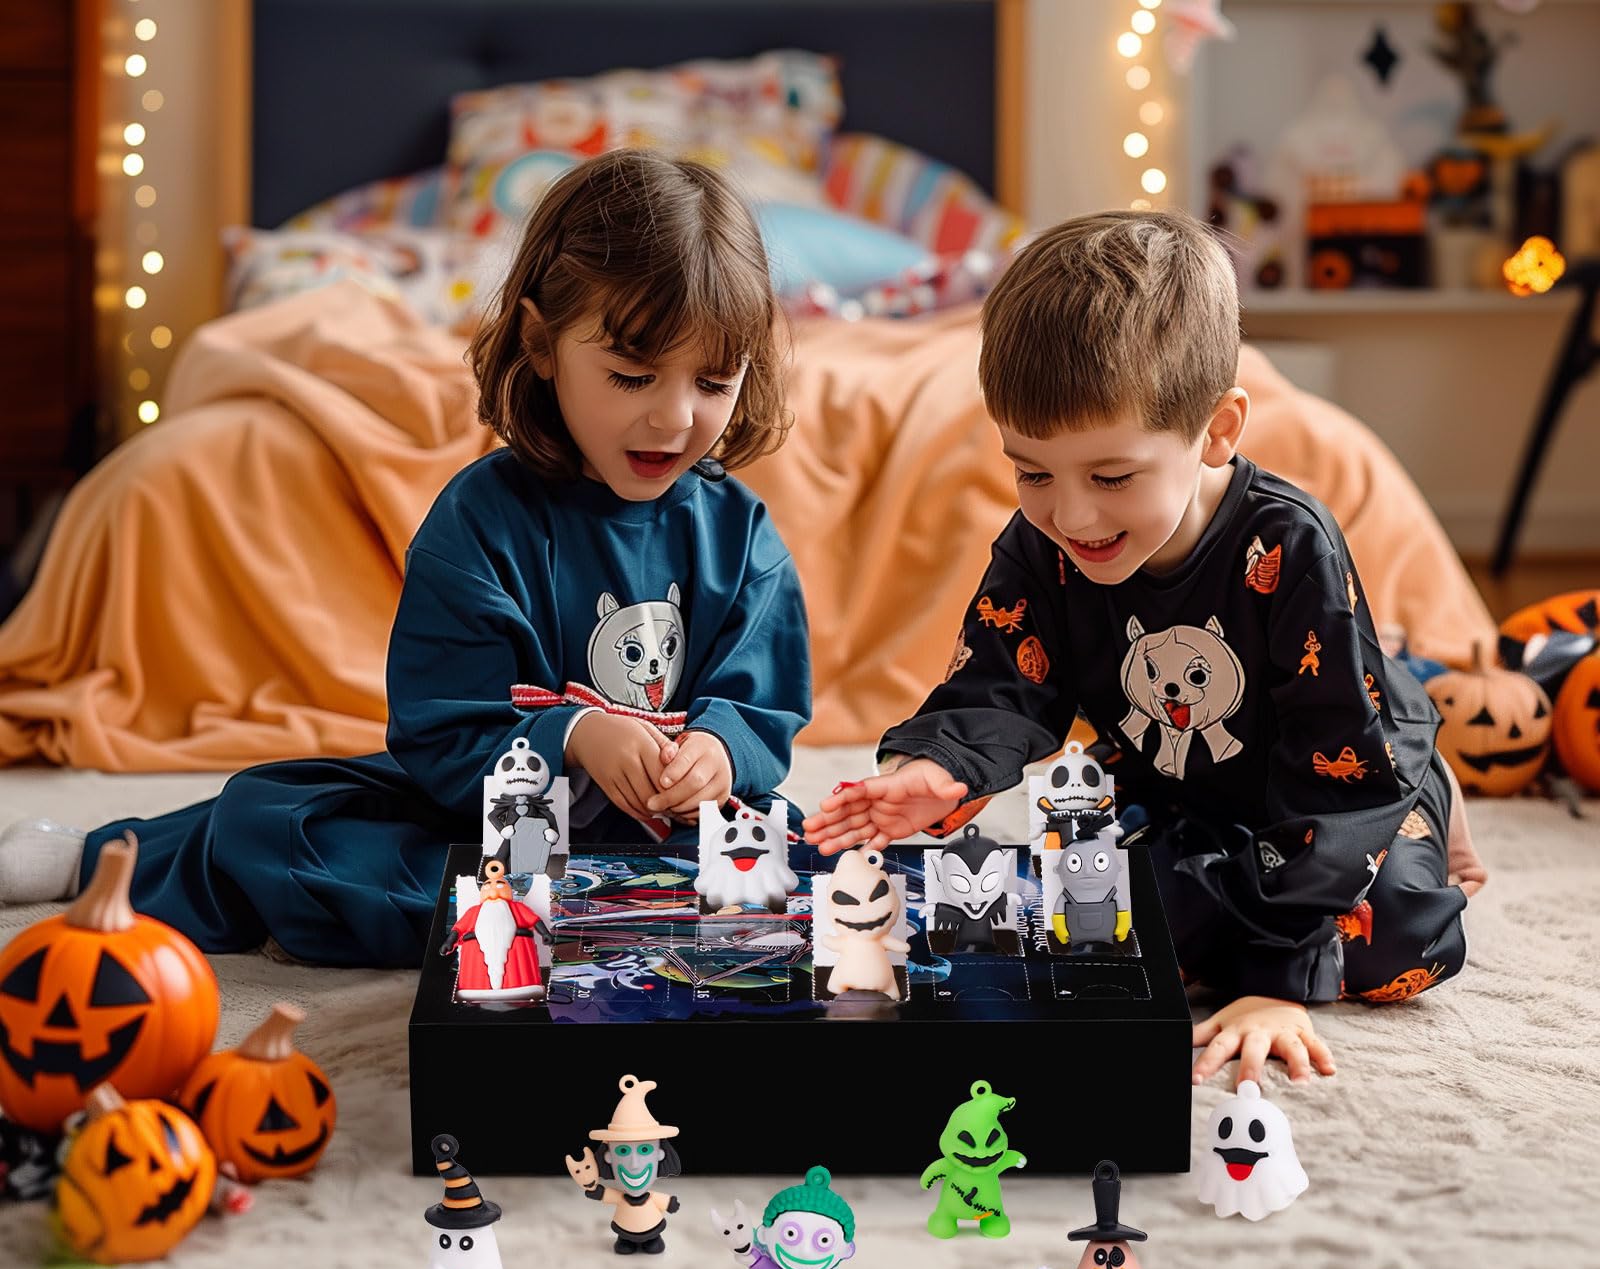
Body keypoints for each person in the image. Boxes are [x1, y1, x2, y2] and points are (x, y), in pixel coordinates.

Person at [0, 150, 811, 966]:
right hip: (486, 823)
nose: (675, 419)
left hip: (661, 837)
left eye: (714, 383)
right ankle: (98, 856)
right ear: (541, 344)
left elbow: (763, 712)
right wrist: (574, 735)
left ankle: (571, 916)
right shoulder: (481, 520)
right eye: (632, 377)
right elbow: (442, 734)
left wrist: (717, 753)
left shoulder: (742, 535)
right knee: (268, 816)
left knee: (797, 854)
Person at [806, 210, 1484, 1084]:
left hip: (1329, 784)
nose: (1071, 514)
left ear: (1217, 431)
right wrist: (940, 766)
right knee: (1088, 919)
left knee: (1396, 947)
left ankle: (1429, 788)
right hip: (1175, 791)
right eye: (1032, 471)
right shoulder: (1041, 545)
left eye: (1112, 476)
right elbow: (1002, 682)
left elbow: (1334, 764)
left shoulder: (1290, 544)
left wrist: (1277, 981)